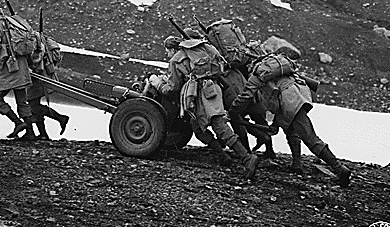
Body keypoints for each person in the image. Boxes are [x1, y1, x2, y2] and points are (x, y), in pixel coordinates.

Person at [230, 53, 351, 187]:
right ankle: (297, 164)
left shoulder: (258, 72)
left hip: (290, 99)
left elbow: (246, 96)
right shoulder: (277, 67)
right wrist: (276, 123)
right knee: (291, 127)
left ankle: (340, 169)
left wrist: (233, 111)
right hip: (298, 93)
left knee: (310, 138)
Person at [149, 35, 260, 179]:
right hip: (212, 89)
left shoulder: (176, 60)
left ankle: (247, 158)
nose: (167, 54)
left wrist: (157, 83)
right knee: (197, 128)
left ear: (171, 49)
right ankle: (223, 157)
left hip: (204, 94)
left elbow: (172, 88)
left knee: (219, 126)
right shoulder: (203, 49)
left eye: (167, 51)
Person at [0, 6, 36, 140]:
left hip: (7, 67)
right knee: (22, 101)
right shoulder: (16, 24)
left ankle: (18, 123)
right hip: (22, 66)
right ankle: (30, 132)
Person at [26, 31, 69, 140]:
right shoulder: (38, 38)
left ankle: (60, 118)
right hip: (42, 75)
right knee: (34, 105)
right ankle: (43, 134)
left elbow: (35, 58)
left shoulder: (33, 40)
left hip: (38, 76)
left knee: (33, 105)